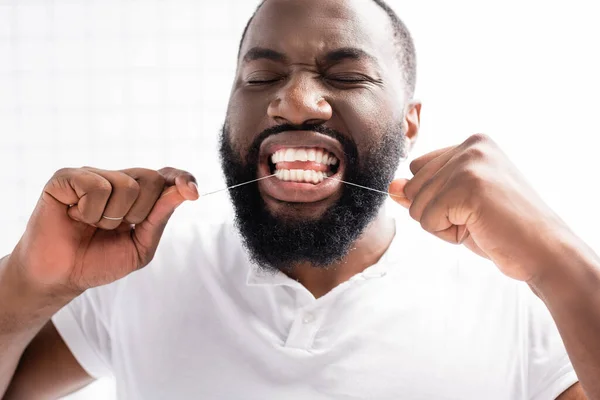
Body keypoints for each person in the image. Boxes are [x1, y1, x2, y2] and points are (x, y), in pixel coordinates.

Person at [0, 0, 598, 398]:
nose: (296, 102)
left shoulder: (516, 299)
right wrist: (26, 281)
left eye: (347, 75)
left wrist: (563, 262)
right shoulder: (143, 265)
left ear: (410, 123)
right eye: (260, 77)